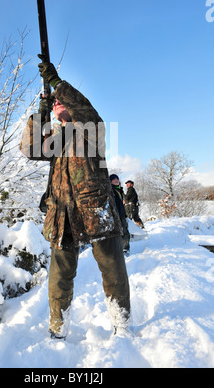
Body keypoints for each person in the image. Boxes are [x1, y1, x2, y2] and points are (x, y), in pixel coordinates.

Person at [20, 55, 130, 339]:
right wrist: (42, 112)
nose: (57, 101)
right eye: (55, 101)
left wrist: (57, 83)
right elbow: (30, 148)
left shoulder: (92, 132)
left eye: (60, 101)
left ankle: (122, 326)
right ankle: (57, 330)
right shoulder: (57, 140)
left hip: (96, 212)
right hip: (63, 215)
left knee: (113, 272)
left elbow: (89, 112)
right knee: (59, 277)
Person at [110, 174, 130, 253]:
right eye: (114, 179)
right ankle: (122, 250)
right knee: (121, 233)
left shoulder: (119, 190)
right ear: (110, 181)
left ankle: (124, 249)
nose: (116, 180)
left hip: (122, 214)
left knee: (125, 231)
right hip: (116, 215)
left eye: (117, 179)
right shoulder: (111, 190)